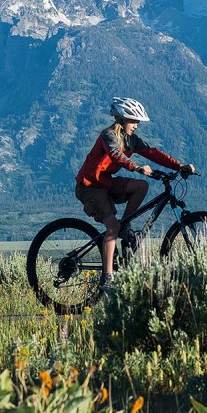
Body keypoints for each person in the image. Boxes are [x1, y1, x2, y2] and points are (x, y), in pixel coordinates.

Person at [75, 97, 195, 293]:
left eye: (138, 122)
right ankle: (107, 279)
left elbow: (153, 153)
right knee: (111, 226)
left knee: (141, 187)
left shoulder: (132, 140)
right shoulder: (108, 135)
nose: (136, 126)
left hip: (105, 182)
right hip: (89, 186)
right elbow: (116, 155)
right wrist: (136, 167)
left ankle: (125, 226)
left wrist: (179, 165)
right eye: (133, 121)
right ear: (121, 120)